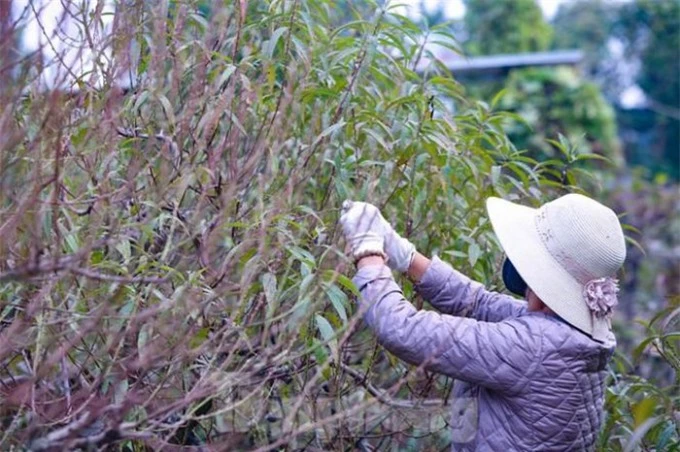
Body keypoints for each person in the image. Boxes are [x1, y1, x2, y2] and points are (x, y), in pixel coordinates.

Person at [339, 194, 626, 451]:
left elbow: (403, 329)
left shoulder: (533, 346)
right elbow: (477, 302)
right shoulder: (574, 335)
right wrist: (405, 255)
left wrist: (368, 253)